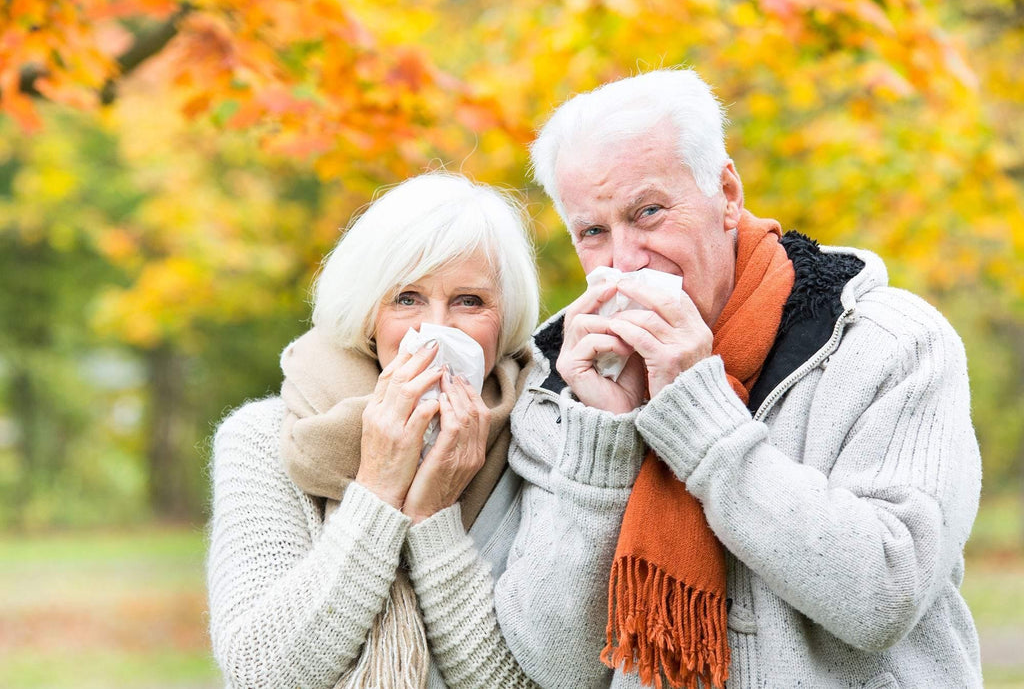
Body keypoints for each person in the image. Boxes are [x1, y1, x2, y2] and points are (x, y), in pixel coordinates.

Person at [492, 69, 982, 688]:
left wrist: (699, 415)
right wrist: (607, 441)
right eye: (593, 232)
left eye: (648, 213)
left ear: (727, 194)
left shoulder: (890, 343)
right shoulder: (559, 389)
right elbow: (556, 665)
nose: (625, 260)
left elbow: (886, 593)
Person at [207, 172, 542, 689]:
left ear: (507, 318)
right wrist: (379, 488)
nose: (438, 328)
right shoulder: (260, 438)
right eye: (407, 298)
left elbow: (525, 682)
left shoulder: (541, 438)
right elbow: (261, 673)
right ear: (367, 316)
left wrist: (433, 521)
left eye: (470, 301)